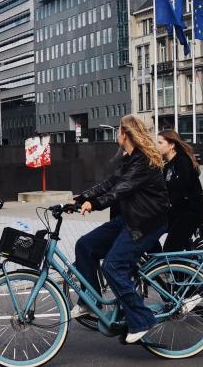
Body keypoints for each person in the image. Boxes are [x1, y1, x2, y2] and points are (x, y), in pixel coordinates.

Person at [73, 116, 169, 345]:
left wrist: (95, 204)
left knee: (114, 266)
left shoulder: (143, 160)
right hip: (130, 218)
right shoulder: (131, 159)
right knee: (85, 245)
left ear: (125, 134)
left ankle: (142, 319)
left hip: (146, 222)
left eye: (118, 131)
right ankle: (90, 301)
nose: (117, 135)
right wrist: (82, 198)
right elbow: (110, 183)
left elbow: (121, 190)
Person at [156, 130, 203, 252]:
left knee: (170, 248)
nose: (156, 146)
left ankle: (178, 270)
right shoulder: (167, 166)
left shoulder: (182, 161)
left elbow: (182, 187)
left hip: (191, 213)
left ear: (172, 145)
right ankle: (161, 267)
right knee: (150, 232)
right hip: (178, 212)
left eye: (160, 142)